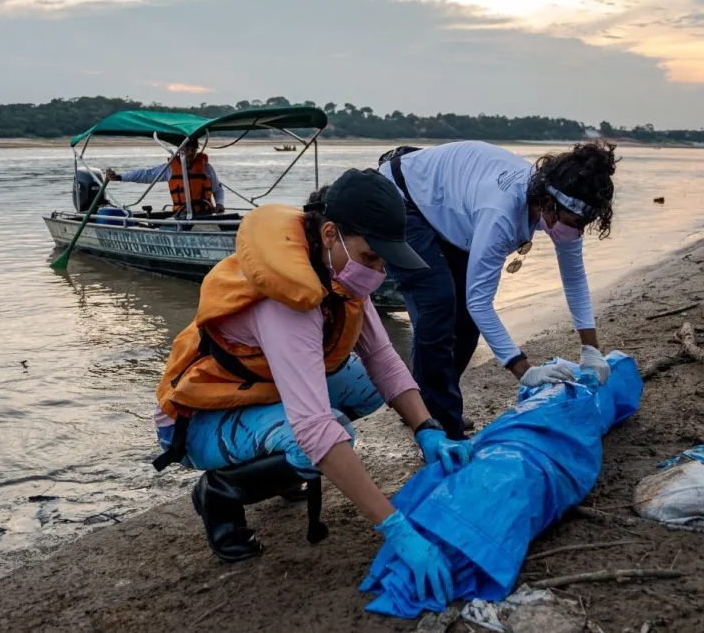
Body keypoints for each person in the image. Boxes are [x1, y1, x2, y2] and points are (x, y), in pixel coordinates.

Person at [151, 168, 471, 605]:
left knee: (368, 386)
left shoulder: (338, 273)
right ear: (330, 233)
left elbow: (382, 359)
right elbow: (318, 430)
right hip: (197, 421)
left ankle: (278, 464)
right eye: (371, 256)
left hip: (257, 391)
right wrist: (396, 528)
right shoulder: (288, 302)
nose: (379, 271)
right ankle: (220, 494)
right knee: (321, 437)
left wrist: (428, 428)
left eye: (383, 260)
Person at [378, 140, 617, 441]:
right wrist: (525, 371)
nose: (578, 232)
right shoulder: (501, 211)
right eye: (574, 223)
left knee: (465, 322)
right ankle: (442, 428)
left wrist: (591, 349)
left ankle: (428, 407)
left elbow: (574, 279)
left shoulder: (564, 204)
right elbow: (481, 302)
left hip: (455, 208)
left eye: (584, 225)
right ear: (549, 205)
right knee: (437, 305)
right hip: (402, 197)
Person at [105, 139, 225, 217]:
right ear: (180, 151)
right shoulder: (170, 168)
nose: (190, 153)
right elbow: (146, 175)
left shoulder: (207, 168)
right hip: (181, 214)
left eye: (193, 149)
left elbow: (218, 189)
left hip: (205, 214)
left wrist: (219, 203)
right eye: (186, 149)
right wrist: (120, 177)